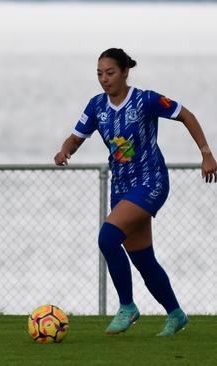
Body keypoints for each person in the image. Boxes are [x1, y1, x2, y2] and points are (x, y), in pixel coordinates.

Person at [54, 48, 217, 336]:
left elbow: (187, 115)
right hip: (121, 187)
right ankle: (176, 314)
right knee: (142, 259)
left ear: (125, 72)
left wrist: (206, 154)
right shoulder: (96, 106)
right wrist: (65, 150)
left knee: (107, 237)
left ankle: (127, 307)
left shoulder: (146, 100)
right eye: (99, 74)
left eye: (110, 73)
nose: (104, 79)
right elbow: (76, 137)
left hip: (150, 181)